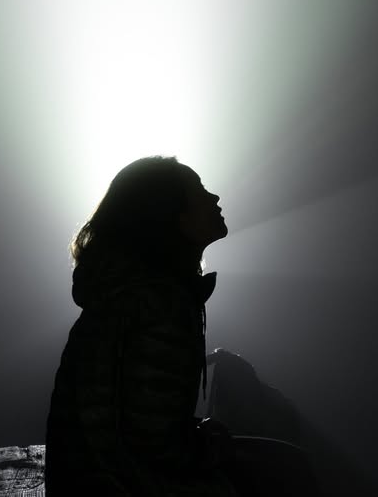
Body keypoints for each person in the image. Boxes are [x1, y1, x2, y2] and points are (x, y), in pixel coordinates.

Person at [45, 156, 237, 496]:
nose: (214, 198)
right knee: (285, 470)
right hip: (119, 483)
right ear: (169, 213)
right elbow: (156, 444)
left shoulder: (130, 293)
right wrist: (215, 442)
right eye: (200, 190)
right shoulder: (159, 303)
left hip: (88, 475)